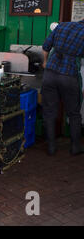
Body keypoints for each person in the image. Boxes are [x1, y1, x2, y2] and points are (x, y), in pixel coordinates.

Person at [42, 19, 84, 156]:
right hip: (69, 76)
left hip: (50, 74)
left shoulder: (63, 26)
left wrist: (45, 62)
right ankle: (75, 147)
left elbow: (46, 46)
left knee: (49, 112)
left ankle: (51, 147)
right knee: (74, 113)